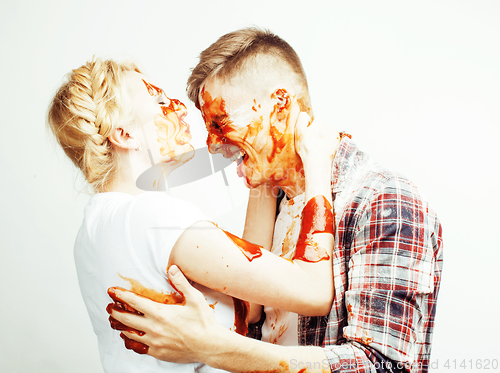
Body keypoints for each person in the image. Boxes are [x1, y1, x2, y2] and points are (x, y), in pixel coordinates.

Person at [107, 28, 444, 373]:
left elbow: (382, 367)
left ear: (281, 105)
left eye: (221, 122)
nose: (210, 145)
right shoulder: (272, 199)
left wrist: (213, 348)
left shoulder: (384, 201)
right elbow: (252, 318)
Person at [48, 57, 340, 373]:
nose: (178, 106)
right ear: (124, 135)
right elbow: (314, 292)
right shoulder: (153, 217)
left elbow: (249, 307)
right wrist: (317, 164)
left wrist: (262, 169)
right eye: (159, 101)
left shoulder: (96, 228)